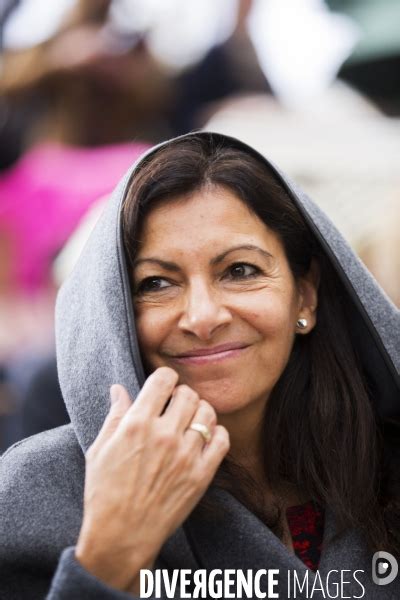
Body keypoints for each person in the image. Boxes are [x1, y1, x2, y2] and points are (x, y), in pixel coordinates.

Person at [0, 131, 399, 599]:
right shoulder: (42, 493)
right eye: (156, 283)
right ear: (116, 309)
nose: (203, 317)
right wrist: (107, 561)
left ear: (304, 294)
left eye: (240, 271)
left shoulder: (383, 464)